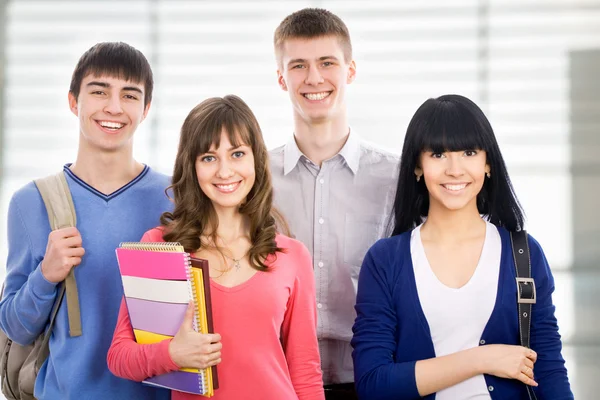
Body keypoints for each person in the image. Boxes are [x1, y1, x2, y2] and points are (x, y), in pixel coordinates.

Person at [351, 94, 573, 399]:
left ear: (488, 164)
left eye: (469, 152)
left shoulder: (524, 254)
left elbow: (548, 370)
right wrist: (482, 359)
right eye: (439, 154)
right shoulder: (385, 260)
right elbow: (374, 384)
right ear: (418, 166)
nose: (455, 169)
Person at [107, 95, 325, 400]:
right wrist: (172, 353)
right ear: (192, 166)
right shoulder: (160, 248)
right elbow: (120, 357)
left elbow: (305, 374)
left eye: (237, 154)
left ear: (256, 160)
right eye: (209, 158)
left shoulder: (291, 256)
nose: (225, 172)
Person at [0, 42, 171, 399]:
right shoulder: (30, 203)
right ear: (73, 101)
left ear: (146, 109)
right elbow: (15, 327)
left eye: (129, 95)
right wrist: (45, 276)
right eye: (99, 91)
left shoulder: (177, 199)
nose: (113, 107)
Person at [269, 8, 400, 399]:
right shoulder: (251, 178)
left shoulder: (396, 178)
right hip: (278, 380)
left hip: (370, 380)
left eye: (327, 62)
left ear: (351, 70)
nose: (314, 78)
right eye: (298, 66)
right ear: (281, 78)